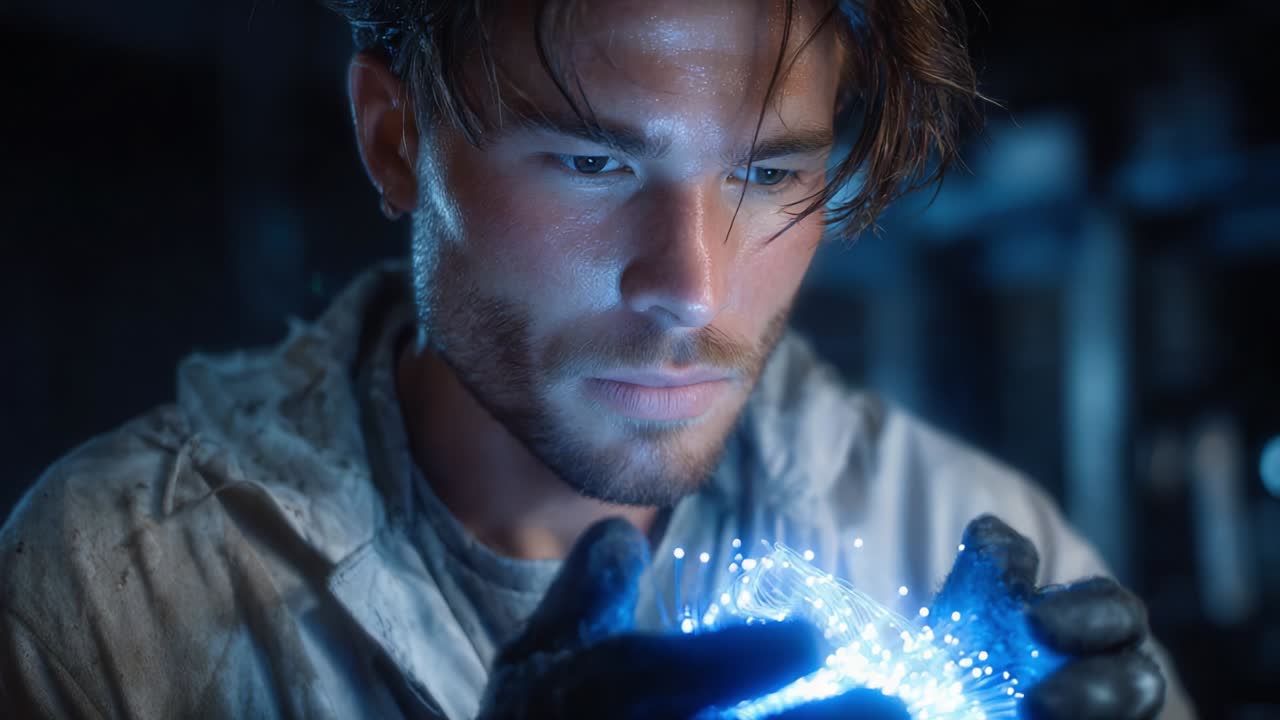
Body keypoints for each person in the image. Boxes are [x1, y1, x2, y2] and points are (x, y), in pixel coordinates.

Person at [0, 0, 1195, 718]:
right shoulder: (117, 598)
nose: (690, 285)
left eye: (766, 172)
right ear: (395, 141)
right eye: (589, 162)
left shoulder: (956, 526)